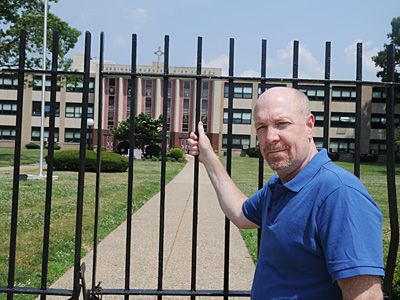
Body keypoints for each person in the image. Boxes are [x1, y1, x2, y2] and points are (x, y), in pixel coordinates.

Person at [188, 87, 384, 300]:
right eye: (262, 127)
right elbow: (239, 212)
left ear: (309, 125)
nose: (270, 137)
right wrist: (208, 156)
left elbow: (365, 297)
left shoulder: (339, 193)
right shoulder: (279, 185)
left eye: (282, 124)